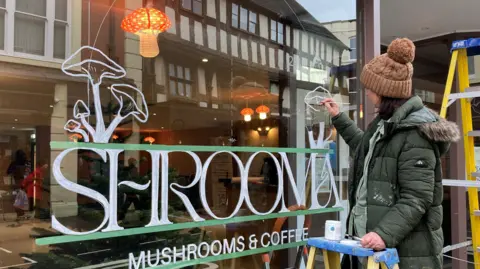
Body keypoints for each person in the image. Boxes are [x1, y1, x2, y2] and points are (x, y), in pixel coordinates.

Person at [320, 38, 460, 269]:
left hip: (402, 253)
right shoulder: (385, 123)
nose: (367, 92)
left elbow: (417, 197)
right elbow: (367, 151)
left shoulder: (415, 133)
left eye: (369, 87)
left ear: (384, 91)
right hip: (368, 246)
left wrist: (383, 234)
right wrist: (339, 118)